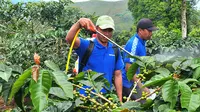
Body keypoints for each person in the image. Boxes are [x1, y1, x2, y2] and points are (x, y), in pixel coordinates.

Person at [66, 15, 124, 102]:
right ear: (96, 29)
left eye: (110, 30)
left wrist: (119, 100)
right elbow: (69, 39)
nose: (107, 34)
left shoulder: (115, 50)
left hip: (106, 99)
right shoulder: (87, 45)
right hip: (86, 97)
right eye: (104, 30)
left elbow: (118, 74)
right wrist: (78, 24)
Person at [122, 18, 158, 101]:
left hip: (134, 81)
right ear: (140, 30)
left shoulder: (142, 41)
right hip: (128, 84)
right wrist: (142, 87)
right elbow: (129, 69)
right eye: (149, 31)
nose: (151, 33)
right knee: (143, 103)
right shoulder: (134, 44)